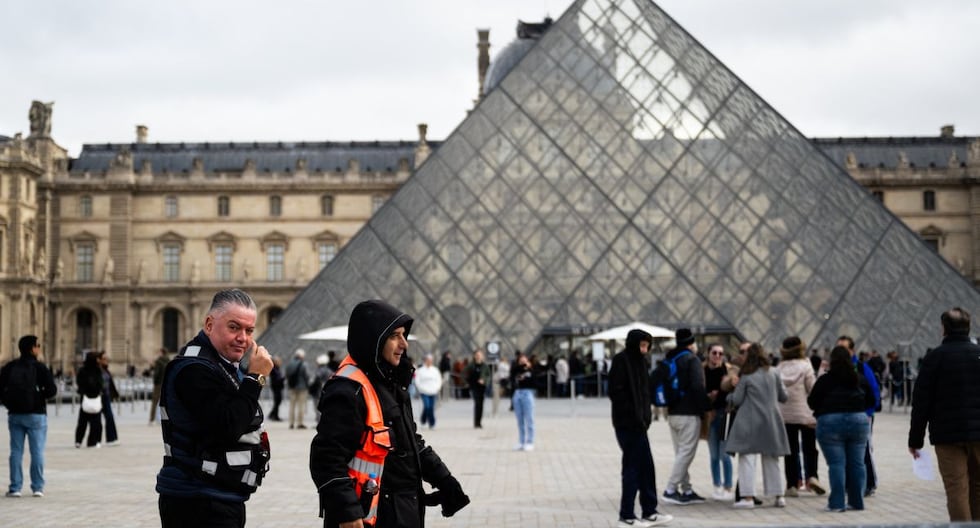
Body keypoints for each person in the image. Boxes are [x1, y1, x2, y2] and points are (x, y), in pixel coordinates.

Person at [310, 299, 470, 527]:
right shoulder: (348, 389)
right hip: (367, 516)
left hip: (401, 510)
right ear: (373, 339)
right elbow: (326, 459)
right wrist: (347, 511)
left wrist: (444, 479)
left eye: (404, 335)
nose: (404, 344)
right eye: (395, 336)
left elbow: (412, 442)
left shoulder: (390, 383)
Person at [155, 288, 274, 527]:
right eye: (234, 327)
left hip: (217, 495)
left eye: (249, 330)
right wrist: (255, 379)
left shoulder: (222, 365)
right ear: (209, 324)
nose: (243, 338)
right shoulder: (193, 370)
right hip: (197, 501)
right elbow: (229, 426)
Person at [909, 307, 980, 521]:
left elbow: (921, 402)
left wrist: (915, 439)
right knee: (978, 487)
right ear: (968, 328)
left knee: (956, 489)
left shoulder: (934, 357)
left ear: (944, 329)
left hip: (947, 436)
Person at [608, 329, 674, 527]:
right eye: (642, 345)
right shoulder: (621, 361)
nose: (645, 350)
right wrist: (634, 415)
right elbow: (615, 392)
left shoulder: (641, 362)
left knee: (646, 467)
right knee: (632, 468)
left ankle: (649, 511)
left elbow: (645, 392)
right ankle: (627, 516)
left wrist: (645, 418)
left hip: (640, 425)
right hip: (627, 424)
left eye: (647, 346)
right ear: (634, 343)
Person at [808, 346, 874, 512]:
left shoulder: (825, 380)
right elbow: (872, 400)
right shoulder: (858, 379)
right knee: (858, 464)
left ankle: (837, 503)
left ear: (831, 361)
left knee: (837, 464)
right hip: (858, 421)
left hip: (830, 421)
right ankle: (856, 502)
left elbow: (812, 402)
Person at [725, 343, 790, 509]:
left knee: (747, 459)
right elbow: (783, 396)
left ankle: (747, 498)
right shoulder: (775, 372)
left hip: (750, 422)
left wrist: (729, 398)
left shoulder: (747, 375)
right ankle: (779, 496)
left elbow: (738, 399)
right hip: (771, 421)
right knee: (772, 458)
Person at [655, 328, 708, 505]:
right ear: (692, 343)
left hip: (672, 413)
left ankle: (686, 489)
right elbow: (697, 387)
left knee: (680, 453)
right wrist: (704, 408)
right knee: (686, 453)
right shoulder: (692, 360)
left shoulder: (670, 358)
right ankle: (670, 489)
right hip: (689, 413)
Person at [0, 335, 57, 497]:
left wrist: (9, 403)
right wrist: (39, 396)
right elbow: (52, 391)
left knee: (16, 452)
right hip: (36, 414)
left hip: (15, 414)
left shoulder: (10, 367)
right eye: (38, 345)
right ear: (32, 348)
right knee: (37, 451)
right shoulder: (40, 368)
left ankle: (15, 487)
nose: (39, 348)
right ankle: (38, 487)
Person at [775, 337, 823, 497]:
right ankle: (812, 476)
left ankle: (792, 484)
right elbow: (813, 389)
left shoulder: (778, 368)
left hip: (785, 416)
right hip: (806, 414)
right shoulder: (806, 366)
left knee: (791, 451)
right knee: (810, 448)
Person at [836, 335, 880, 497]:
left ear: (852, 350)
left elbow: (873, 391)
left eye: (844, 348)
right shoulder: (835, 369)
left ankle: (869, 483)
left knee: (863, 449)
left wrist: (868, 412)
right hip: (842, 415)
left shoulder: (862, 368)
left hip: (862, 415)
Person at [703, 343, 734, 501]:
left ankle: (728, 486)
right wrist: (708, 396)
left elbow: (733, 392)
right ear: (708, 353)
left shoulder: (728, 370)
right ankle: (717, 485)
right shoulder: (702, 370)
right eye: (714, 352)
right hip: (709, 415)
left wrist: (719, 394)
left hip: (725, 415)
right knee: (714, 455)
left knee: (725, 454)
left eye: (720, 353)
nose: (717, 356)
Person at [75, 352, 105, 449]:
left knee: (82, 422)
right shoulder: (98, 370)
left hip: (85, 398)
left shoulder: (82, 370)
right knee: (96, 422)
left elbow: (79, 382)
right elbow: (101, 383)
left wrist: (82, 391)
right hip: (95, 398)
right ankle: (94, 441)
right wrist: (99, 391)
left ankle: (78, 440)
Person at [512, 353, 536, 451]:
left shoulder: (532, 370)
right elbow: (513, 372)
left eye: (524, 360)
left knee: (529, 419)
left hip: (527, 393)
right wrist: (522, 367)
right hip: (517, 393)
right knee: (520, 420)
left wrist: (528, 368)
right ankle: (521, 441)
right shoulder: (516, 370)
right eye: (520, 360)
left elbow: (534, 381)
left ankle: (530, 441)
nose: (522, 362)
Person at [97, 352, 120, 446]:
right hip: (98, 397)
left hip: (106, 397)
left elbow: (110, 384)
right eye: (104, 359)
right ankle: (95, 440)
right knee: (95, 419)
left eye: (107, 359)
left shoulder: (106, 370)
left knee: (109, 417)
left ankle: (111, 438)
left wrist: (115, 394)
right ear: (99, 360)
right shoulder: (97, 370)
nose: (107, 361)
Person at [414, 354, 442, 429]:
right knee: (427, 406)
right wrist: (420, 388)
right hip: (424, 391)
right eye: (428, 360)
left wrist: (437, 388)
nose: (429, 362)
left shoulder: (435, 370)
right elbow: (417, 380)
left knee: (431, 407)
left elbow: (438, 380)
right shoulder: (420, 370)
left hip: (433, 391)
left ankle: (432, 423)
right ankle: (423, 420)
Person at [465, 349, 491, 429]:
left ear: (482, 356)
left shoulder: (485, 366)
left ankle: (479, 422)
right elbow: (464, 373)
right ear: (474, 356)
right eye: (477, 355)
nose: (478, 356)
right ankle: (476, 422)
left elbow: (488, 376)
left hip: (482, 387)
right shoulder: (471, 365)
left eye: (480, 355)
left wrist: (484, 381)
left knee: (481, 404)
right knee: (477, 403)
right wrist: (468, 382)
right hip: (474, 387)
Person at [286, 348, 310, 429]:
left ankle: (291, 423)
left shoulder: (289, 364)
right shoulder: (304, 364)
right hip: (302, 388)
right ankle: (300, 423)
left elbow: (287, 374)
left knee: (292, 405)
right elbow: (306, 376)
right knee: (301, 405)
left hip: (292, 387)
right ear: (302, 356)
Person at [149, 348, 170, 424]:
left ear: (161, 353)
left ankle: (152, 419)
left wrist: (155, 382)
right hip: (165, 383)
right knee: (163, 401)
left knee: (155, 401)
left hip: (158, 384)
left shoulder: (158, 361)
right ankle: (164, 418)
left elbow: (156, 373)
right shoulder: (168, 360)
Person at [268, 356, 285, 421]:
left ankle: (272, 414)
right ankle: (274, 416)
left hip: (277, 387)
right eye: (279, 361)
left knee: (278, 401)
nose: (280, 362)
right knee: (277, 401)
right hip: (276, 387)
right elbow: (277, 378)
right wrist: (283, 378)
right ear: (275, 362)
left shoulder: (276, 368)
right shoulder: (274, 368)